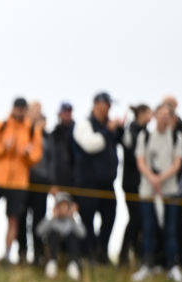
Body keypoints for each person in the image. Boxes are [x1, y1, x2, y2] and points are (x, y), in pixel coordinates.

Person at [0, 97, 42, 262]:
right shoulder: (0, 126)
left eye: (22, 109)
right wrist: (3, 147)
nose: (19, 111)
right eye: (17, 108)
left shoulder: (32, 130)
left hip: (18, 182)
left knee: (13, 219)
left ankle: (6, 255)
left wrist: (28, 154)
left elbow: (36, 156)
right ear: (12, 108)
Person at [131, 103, 182, 282]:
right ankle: (147, 265)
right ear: (154, 116)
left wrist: (161, 178)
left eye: (167, 115)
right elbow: (140, 161)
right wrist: (152, 178)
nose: (163, 117)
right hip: (147, 191)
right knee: (148, 229)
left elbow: (177, 163)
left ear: (172, 118)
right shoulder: (145, 135)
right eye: (160, 114)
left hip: (169, 191)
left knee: (171, 230)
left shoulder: (177, 137)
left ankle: (173, 266)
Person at [73, 91, 124, 263]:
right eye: (105, 105)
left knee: (110, 218)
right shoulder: (84, 124)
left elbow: (125, 144)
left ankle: (102, 253)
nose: (108, 109)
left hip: (108, 183)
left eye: (109, 106)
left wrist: (120, 130)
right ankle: (89, 254)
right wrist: (108, 131)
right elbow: (90, 145)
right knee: (87, 220)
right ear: (96, 104)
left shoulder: (110, 126)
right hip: (88, 183)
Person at [163, 94, 182, 271]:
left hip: (180, 186)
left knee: (181, 222)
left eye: (170, 105)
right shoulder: (160, 129)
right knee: (164, 224)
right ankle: (166, 261)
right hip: (162, 185)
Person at [119, 104, 152, 267]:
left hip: (144, 184)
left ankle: (135, 253)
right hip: (131, 183)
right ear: (141, 113)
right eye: (149, 113)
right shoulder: (130, 130)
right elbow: (131, 154)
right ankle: (124, 254)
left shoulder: (146, 132)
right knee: (135, 218)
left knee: (140, 219)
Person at [19, 100, 52, 265]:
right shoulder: (21, 130)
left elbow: (51, 159)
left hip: (41, 182)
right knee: (21, 217)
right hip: (23, 181)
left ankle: (38, 254)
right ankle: (22, 252)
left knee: (39, 220)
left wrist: (51, 181)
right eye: (32, 111)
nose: (35, 114)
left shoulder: (45, 134)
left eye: (38, 111)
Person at [36, 192, 85, 280]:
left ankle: (73, 265)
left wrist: (73, 218)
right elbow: (39, 232)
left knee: (72, 236)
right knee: (53, 234)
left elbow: (82, 234)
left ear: (69, 207)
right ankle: (51, 264)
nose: (63, 208)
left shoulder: (72, 220)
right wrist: (51, 218)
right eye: (60, 206)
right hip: (54, 247)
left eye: (65, 206)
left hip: (68, 247)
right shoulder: (51, 220)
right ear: (56, 207)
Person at [49, 102, 74, 191]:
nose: (67, 114)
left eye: (69, 112)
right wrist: (52, 182)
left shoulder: (78, 132)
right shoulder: (53, 135)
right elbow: (51, 160)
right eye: (65, 112)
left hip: (76, 182)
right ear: (59, 114)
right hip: (59, 182)